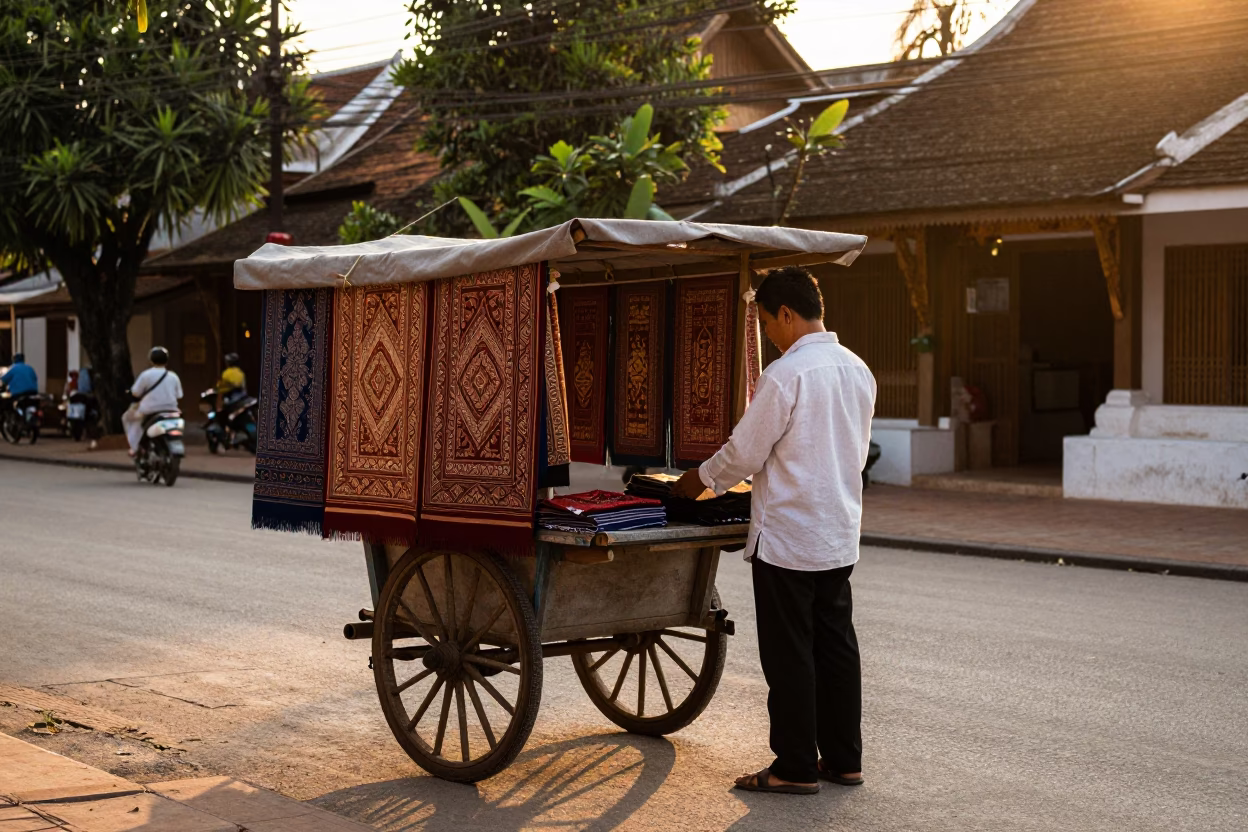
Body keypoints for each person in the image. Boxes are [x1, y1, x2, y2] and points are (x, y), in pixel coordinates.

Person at [672, 266, 877, 796]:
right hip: (836, 530)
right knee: (835, 646)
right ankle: (844, 759)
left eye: (767, 323)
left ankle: (794, 767)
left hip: (789, 534)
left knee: (790, 654)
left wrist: (698, 481)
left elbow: (746, 451)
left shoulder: (786, 375)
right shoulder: (858, 369)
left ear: (786, 314)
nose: (768, 335)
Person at [123, 346, 183, 456]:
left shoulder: (146, 375)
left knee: (128, 419)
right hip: (171, 410)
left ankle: (135, 448)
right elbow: (179, 395)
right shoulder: (173, 376)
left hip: (149, 410)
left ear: (151, 360)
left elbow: (136, 393)